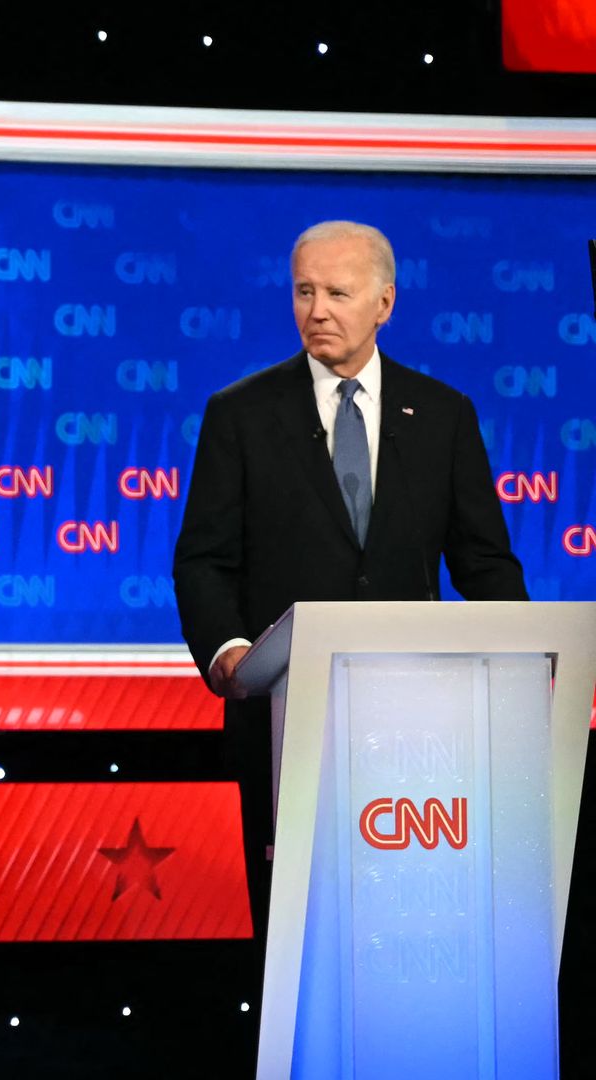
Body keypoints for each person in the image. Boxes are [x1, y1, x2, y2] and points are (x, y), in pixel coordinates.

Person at [171, 218, 526, 968]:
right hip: (285, 717)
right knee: (297, 938)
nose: (317, 309)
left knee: (405, 925)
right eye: (304, 291)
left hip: (420, 729)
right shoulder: (239, 414)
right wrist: (232, 653)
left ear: (385, 304)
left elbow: (486, 565)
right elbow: (203, 560)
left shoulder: (443, 416)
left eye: (338, 291)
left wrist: (523, 674)